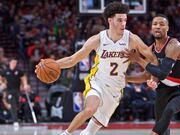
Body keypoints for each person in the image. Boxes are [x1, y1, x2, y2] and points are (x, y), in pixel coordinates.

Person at [36, 2, 157, 135]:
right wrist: (54, 64)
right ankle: (66, 133)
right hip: (97, 82)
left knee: (90, 132)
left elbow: (153, 59)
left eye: (125, 20)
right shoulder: (98, 39)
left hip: (116, 88)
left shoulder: (132, 39)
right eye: (119, 20)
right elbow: (72, 59)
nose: (123, 23)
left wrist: (153, 77)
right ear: (110, 21)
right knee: (90, 109)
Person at [124, 14, 180, 135]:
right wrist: (126, 79)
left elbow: (162, 74)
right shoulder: (150, 49)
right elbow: (146, 76)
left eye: (162, 24)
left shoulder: (174, 46)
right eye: (155, 24)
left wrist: (139, 60)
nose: (158, 27)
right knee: (161, 123)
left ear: (167, 28)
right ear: (151, 28)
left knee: (169, 110)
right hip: (163, 89)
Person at [1, 58, 30, 126]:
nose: (14, 64)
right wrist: (2, 83)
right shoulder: (5, 71)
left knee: (18, 105)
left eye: (15, 63)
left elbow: (23, 77)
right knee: (13, 103)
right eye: (13, 62)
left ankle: (14, 117)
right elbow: (0, 76)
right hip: (9, 90)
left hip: (17, 90)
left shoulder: (18, 71)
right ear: (10, 63)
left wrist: (25, 84)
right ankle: (15, 120)